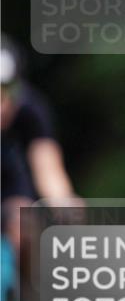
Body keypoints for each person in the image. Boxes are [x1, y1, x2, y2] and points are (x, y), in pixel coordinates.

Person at [1, 37, 77, 254]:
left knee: (25, 221)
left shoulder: (31, 109)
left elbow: (48, 168)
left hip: (9, 186)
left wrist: (64, 205)